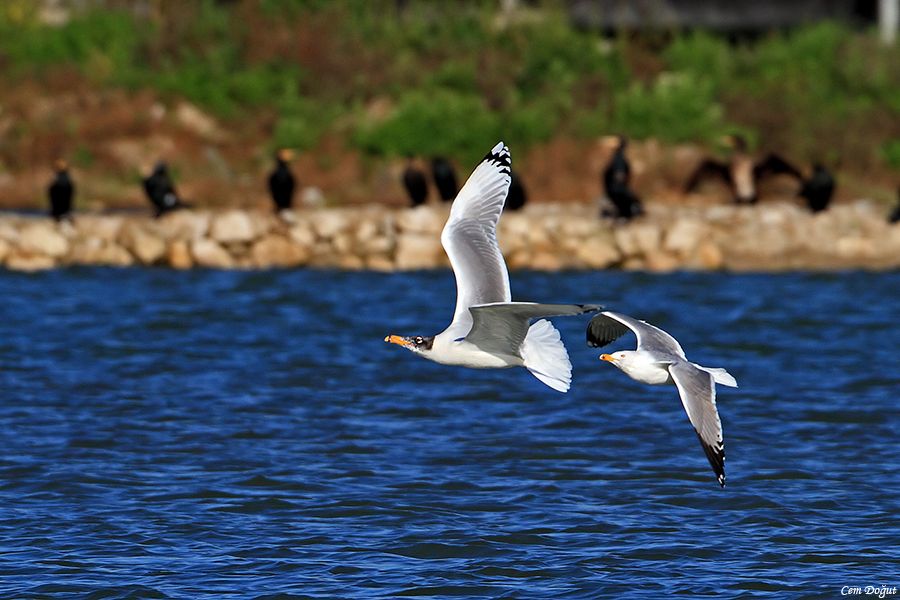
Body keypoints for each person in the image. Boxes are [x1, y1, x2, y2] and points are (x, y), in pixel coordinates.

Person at [685, 134, 802, 204]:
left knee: (774, 160)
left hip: (752, 197)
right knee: (706, 165)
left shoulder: (751, 165)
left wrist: (798, 176)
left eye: (732, 141)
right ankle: (687, 189)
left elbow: (781, 166)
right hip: (738, 198)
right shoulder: (729, 166)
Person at [601, 135, 643, 219]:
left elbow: (617, 176)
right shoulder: (619, 158)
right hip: (616, 190)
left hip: (614, 191)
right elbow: (619, 176)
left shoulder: (617, 158)